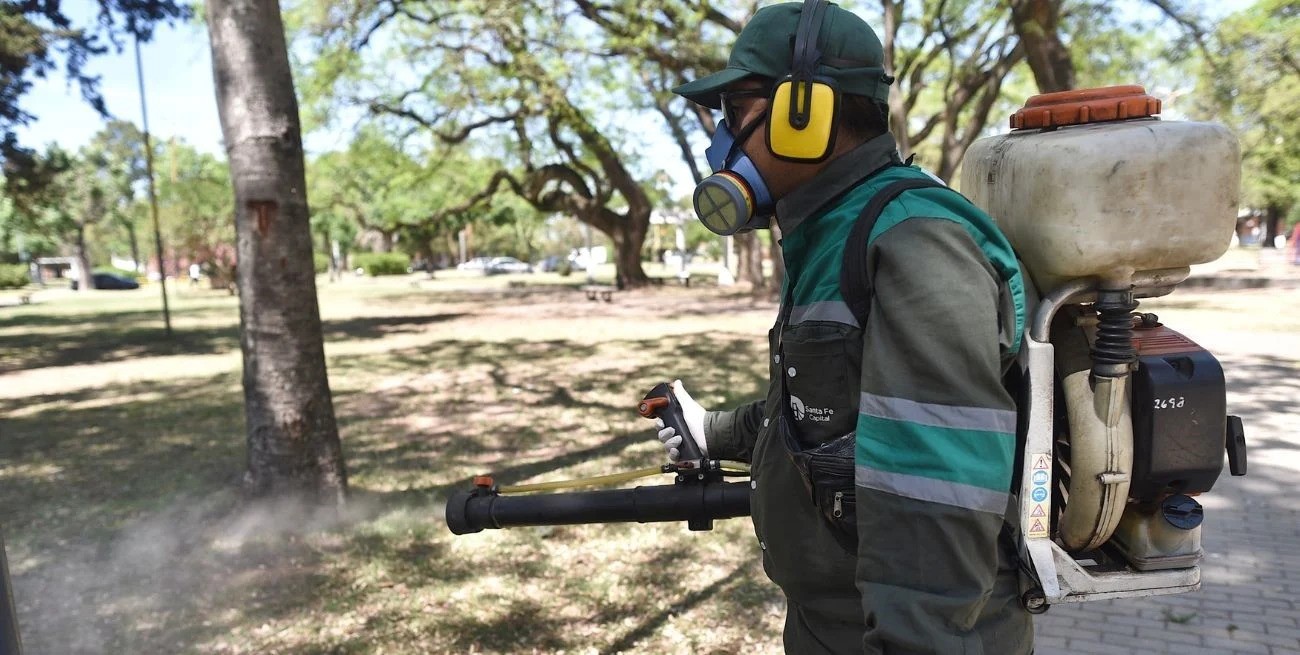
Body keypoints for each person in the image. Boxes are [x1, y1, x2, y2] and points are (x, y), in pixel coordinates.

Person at [650, 2, 1033, 653]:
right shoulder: (832, 231)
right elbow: (828, 411)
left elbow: (934, 501)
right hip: (832, 623)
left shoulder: (914, 239)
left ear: (807, 114)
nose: (722, 142)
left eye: (737, 112)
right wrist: (711, 429)